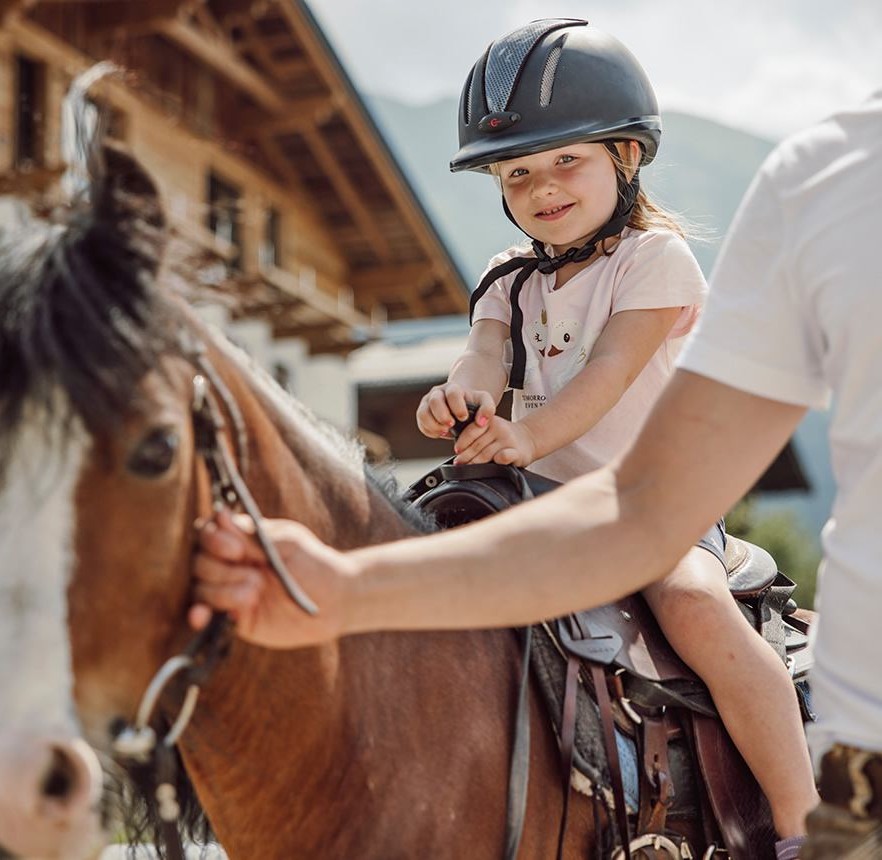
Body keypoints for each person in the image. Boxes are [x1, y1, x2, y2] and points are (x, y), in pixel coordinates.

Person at [189, 26, 882, 860]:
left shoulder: (655, 262)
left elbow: (611, 375)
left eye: (566, 163)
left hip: (654, 508)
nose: (541, 188)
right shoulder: (507, 277)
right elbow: (483, 355)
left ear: (626, 156)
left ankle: (804, 819)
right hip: (531, 499)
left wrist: (525, 435)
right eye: (517, 172)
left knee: (693, 604)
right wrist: (461, 400)